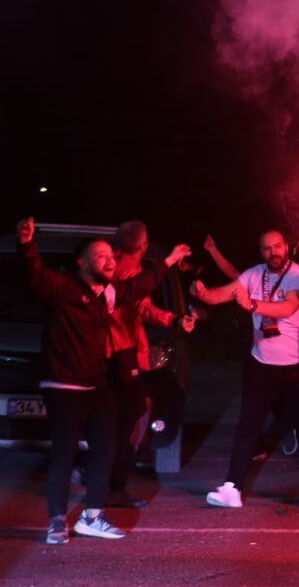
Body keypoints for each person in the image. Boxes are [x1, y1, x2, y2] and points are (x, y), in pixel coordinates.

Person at [16, 216, 190, 545]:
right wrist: (27, 245)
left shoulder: (107, 294)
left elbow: (139, 286)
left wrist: (168, 260)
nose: (109, 261)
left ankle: (92, 516)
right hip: (64, 388)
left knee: (107, 449)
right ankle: (56, 520)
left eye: (111, 257)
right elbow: (35, 275)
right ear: (81, 263)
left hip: (96, 388)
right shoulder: (64, 288)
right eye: (101, 256)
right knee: (64, 454)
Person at [191, 230, 299, 509]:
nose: (273, 252)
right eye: (267, 248)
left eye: (277, 246)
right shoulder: (254, 274)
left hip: (297, 365)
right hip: (261, 362)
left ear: (286, 246)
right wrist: (204, 293)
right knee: (247, 425)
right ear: (261, 251)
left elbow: (288, 307)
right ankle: (233, 488)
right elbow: (223, 294)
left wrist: (253, 304)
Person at [105, 220, 196, 509]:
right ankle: (113, 487)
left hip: (105, 356)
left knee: (118, 421)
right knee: (133, 421)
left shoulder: (108, 264)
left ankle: (105, 479)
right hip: (123, 355)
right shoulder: (130, 271)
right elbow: (142, 305)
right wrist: (174, 319)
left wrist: (172, 318)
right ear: (143, 245)